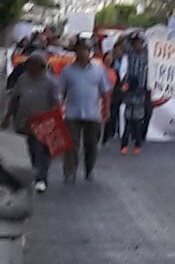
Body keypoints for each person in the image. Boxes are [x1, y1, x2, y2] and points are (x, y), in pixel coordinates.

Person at [1, 51, 60, 193]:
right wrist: (7, 116)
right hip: (23, 121)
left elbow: (56, 103)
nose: (29, 67)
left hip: (42, 124)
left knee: (41, 150)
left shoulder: (50, 82)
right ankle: (31, 173)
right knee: (29, 150)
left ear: (40, 66)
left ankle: (41, 178)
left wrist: (50, 119)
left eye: (32, 64)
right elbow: (15, 98)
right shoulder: (23, 79)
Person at [60, 39, 111, 182]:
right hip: (72, 114)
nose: (83, 53)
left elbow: (105, 92)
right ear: (75, 51)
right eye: (80, 49)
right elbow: (61, 92)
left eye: (86, 50)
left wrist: (106, 110)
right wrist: (58, 109)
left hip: (92, 114)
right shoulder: (67, 71)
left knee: (91, 145)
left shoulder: (98, 70)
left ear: (90, 52)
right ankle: (70, 172)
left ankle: (89, 170)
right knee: (71, 145)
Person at [120, 35, 148, 155]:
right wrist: (131, 34)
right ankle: (124, 144)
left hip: (141, 90)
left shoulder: (147, 56)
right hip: (130, 90)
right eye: (135, 43)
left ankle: (137, 144)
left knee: (137, 121)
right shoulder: (130, 54)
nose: (138, 45)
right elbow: (123, 42)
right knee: (128, 119)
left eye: (139, 43)